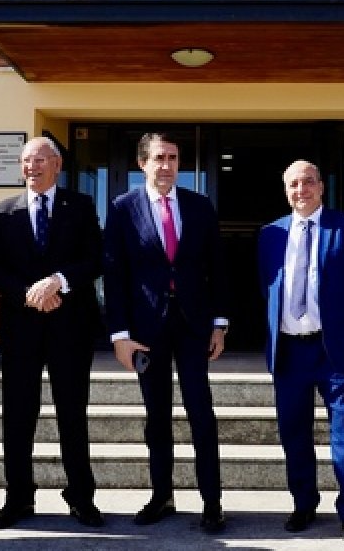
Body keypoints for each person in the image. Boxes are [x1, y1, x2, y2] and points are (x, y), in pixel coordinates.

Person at [102, 132, 229, 533]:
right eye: (158, 158)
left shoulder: (199, 206)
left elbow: (218, 266)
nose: (166, 165)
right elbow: (115, 273)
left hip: (193, 326)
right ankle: (162, 496)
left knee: (201, 414)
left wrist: (219, 324)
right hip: (146, 330)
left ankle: (212, 501)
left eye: (173, 158)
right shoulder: (123, 208)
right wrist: (119, 333)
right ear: (143, 163)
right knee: (156, 416)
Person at [0, 136, 105, 529]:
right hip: (21, 329)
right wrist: (29, 294)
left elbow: (95, 259)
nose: (31, 167)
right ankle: (18, 497)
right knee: (18, 415)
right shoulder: (2, 212)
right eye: (25, 160)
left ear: (56, 164)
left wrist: (58, 281)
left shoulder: (81, 207)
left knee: (73, 414)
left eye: (39, 159)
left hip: (71, 328)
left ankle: (81, 497)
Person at [255, 159, 344, 547]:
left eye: (308, 182)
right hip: (289, 349)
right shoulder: (271, 234)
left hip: (333, 349)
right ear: (286, 190)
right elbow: (268, 287)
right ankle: (303, 503)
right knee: (294, 432)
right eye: (293, 184)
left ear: (322, 187)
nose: (301, 190)